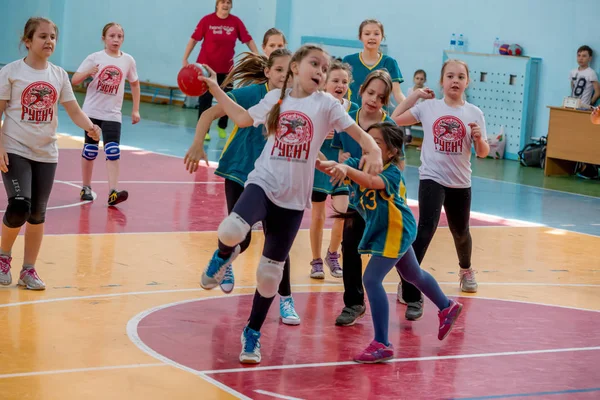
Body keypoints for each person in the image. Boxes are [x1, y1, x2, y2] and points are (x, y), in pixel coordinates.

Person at [187, 44, 383, 364]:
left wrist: (373, 149)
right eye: (314, 64)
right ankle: (222, 256)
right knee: (232, 227)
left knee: (269, 276)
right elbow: (239, 117)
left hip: (293, 200)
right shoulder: (276, 99)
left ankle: (252, 332)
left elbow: (358, 133)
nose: (320, 71)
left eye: (324, 67)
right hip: (263, 181)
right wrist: (213, 88)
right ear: (295, 68)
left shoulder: (327, 106)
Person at [317, 121, 463, 363]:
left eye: (376, 143)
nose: (370, 147)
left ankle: (382, 343)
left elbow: (372, 183)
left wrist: (347, 170)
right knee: (412, 274)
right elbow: (331, 167)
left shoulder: (392, 171)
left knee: (371, 279)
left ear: (392, 151)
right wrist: (313, 157)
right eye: (367, 141)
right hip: (387, 229)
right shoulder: (357, 163)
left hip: (396, 229)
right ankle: (446, 306)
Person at [184, 48, 302, 326]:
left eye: (289, 71)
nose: (284, 76)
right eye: (279, 70)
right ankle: (223, 260)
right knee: (243, 237)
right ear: (267, 72)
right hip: (239, 171)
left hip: (274, 179)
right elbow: (209, 114)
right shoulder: (252, 94)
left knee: (277, 245)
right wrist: (197, 143)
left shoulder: (297, 101)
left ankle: (286, 300)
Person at [0, 17, 101, 290]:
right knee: (20, 204)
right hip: (14, 148)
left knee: (37, 214)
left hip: (46, 153)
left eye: (53, 37)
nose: (49, 41)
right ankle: (3, 257)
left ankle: (28, 270)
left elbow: (74, 110)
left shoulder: (58, 75)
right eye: (42, 36)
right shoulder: (11, 72)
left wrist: (91, 127)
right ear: (28, 41)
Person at [392, 59, 489, 319]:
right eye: (450, 76)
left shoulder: (474, 113)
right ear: (441, 81)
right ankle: (408, 281)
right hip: (432, 178)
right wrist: (414, 95)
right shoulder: (429, 108)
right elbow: (394, 119)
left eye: (460, 76)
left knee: (461, 232)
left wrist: (479, 139)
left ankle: (466, 269)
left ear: (467, 81)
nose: (455, 81)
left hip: (460, 182)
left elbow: (482, 153)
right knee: (425, 228)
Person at [330, 69, 399, 327]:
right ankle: (354, 303)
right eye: (370, 93)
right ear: (361, 91)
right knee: (350, 245)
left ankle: (413, 292)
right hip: (358, 199)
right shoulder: (346, 120)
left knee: (398, 253)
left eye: (380, 97)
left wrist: (374, 169)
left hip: (383, 201)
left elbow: (397, 167)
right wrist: (345, 161)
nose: (373, 99)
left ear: (385, 101)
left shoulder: (389, 126)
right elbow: (340, 154)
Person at [72, 22, 140, 206]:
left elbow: (134, 83)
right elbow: (75, 80)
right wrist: (88, 72)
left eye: (119, 36)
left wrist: (135, 109)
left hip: (112, 114)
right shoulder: (94, 58)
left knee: (112, 151)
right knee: (90, 150)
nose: (116, 39)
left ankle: (113, 192)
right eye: (112, 36)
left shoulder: (128, 61)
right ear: (104, 38)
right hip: (92, 111)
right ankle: (86, 187)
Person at [309, 60, 358, 279]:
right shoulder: (315, 105)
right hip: (319, 168)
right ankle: (316, 260)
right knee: (318, 216)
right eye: (335, 80)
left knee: (343, 215)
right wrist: (318, 133)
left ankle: (332, 254)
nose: (340, 84)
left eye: (344, 81)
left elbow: (358, 139)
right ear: (325, 83)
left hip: (341, 171)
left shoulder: (353, 110)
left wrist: (350, 155)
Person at [182, 0, 258, 139]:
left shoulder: (235, 22)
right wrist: (185, 59)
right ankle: (205, 131)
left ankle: (222, 126)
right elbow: (194, 40)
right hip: (206, 69)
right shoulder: (207, 20)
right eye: (222, 1)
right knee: (205, 100)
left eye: (228, 2)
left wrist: (257, 56)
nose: (225, 4)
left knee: (229, 99)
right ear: (217, 4)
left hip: (227, 70)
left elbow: (248, 40)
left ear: (231, 5)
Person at [342, 19, 405, 109]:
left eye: (376, 34)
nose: (372, 37)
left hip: (379, 119)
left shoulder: (389, 62)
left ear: (382, 37)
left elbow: (397, 94)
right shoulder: (348, 60)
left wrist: (414, 110)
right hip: (352, 116)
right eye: (367, 34)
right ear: (360, 37)